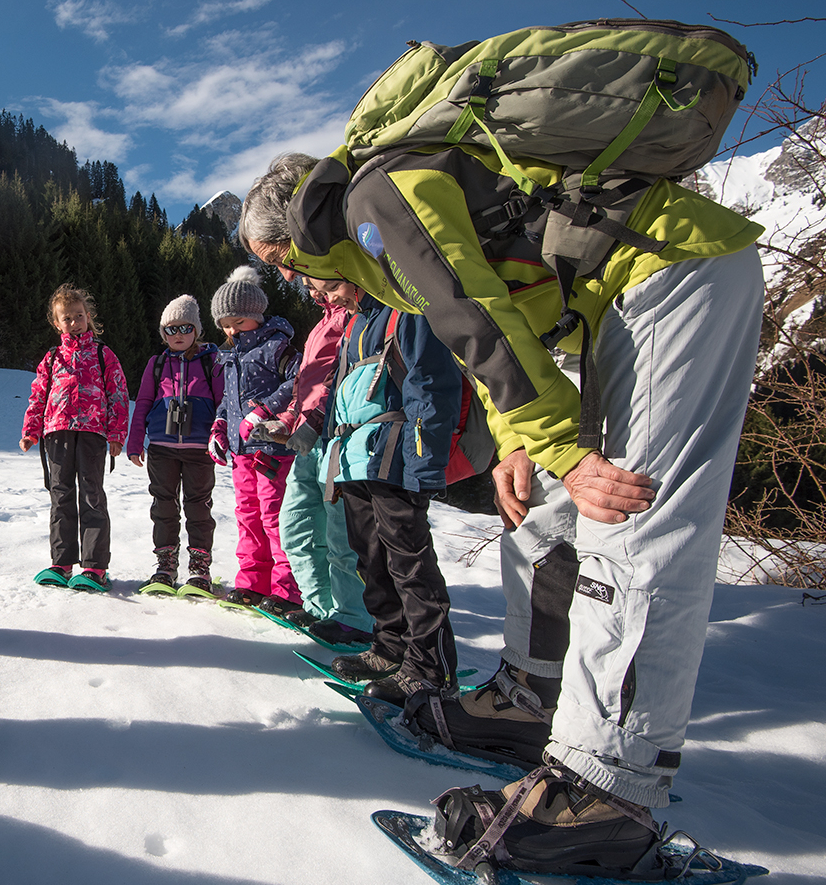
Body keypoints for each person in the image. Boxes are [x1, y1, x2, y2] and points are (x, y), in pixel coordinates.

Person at [240, 139, 764, 871]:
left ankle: (608, 790)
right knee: (540, 509)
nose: (296, 281)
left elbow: (473, 316)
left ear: (300, 222)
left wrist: (564, 446)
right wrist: (523, 438)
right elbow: (485, 321)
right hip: (588, 308)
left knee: (630, 517)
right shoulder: (374, 239)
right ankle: (527, 698)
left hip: (666, 275)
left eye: (284, 261)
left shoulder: (376, 206)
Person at [308, 274, 464, 705]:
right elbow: (339, 394)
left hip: (395, 457)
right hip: (355, 458)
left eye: (327, 285)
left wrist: (424, 462)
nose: (322, 296)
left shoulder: (405, 310)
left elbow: (430, 384)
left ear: (351, 275)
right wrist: (330, 460)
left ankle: (431, 666)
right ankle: (390, 647)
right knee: (371, 559)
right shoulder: (356, 323)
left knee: (408, 564)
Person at [260, 279, 374, 645]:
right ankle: (320, 607)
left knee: (341, 534)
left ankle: (353, 617)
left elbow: (342, 376)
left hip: (339, 434)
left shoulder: (355, 317)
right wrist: (289, 419)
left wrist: (315, 417)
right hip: (310, 441)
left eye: (315, 281)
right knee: (297, 522)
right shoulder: (322, 323)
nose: (309, 290)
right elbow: (305, 384)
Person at [208, 266, 304, 619]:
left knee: (274, 516)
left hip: (272, 449)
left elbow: (298, 382)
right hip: (241, 453)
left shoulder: (276, 347)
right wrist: (220, 427)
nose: (231, 330)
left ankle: (287, 590)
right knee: (248, 516)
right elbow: (229, 401)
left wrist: (265, 410)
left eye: (238, 322)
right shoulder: (230, 356)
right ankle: (252, 584)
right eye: (225, 325)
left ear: (255, 316)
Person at [21, 284, 130, 592]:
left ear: (88, 318)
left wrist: (116, 434)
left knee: (92, 495)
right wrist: (31, 430)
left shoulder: (102, 353)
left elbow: (118, 394)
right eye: (66, 318)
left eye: (78, 316)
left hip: (93, 433)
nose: (73, 322)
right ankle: (61, 563)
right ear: (57, 323)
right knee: (61, 496)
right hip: (56, 433)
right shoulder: (52, 358)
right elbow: (38, 395)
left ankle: (95, 567)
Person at [124, 294, 223, 590]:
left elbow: (222, 402)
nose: (178, 335)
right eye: (170, 329)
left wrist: (221, 435)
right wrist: (135, 441)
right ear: (162, 333)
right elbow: (142, 402)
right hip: (161, 449)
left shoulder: (211, 362)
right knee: (163, 506)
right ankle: (166, 566)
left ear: (197, 329)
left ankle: (199, 567)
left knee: (198, 507)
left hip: (199, 449)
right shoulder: (156, 364)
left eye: (185, 328)